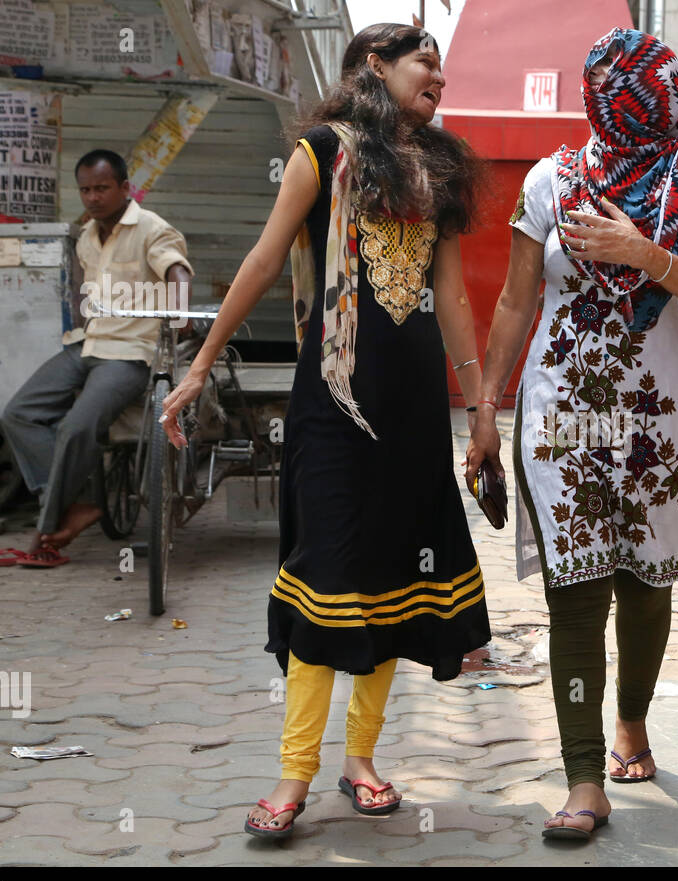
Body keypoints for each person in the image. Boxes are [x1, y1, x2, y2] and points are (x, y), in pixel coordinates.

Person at [159, 23, 491, 839]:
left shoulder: (440, 168)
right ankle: (293, 772)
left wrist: (481, 407)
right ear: (374, 67)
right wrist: (201, 366)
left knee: (388, 581)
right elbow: (264, 261)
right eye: (426, 61)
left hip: (414, 411)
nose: (440, 77)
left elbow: (450, 297)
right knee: (327, 579)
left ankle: (362, 760)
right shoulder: (318, 152)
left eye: (442, 63)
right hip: (335, 406)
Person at [467, 28, 678, 840]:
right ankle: (583, 781)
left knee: (647, 585)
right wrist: (483, 409)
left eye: (641, 89)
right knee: (574, 595)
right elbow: (513, 303)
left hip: (659, 415)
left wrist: (643, 251)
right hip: (561, 410)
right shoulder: (548, 180)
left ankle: (632, 724)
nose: (633, 104)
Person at [0, 149, 192, 569]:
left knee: (77, 426)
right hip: (89, 344)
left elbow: (178, 272)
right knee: (19, 413)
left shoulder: (151, 228)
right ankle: (76, 501)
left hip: (131, 353)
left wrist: (181, 310)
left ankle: (47, 531)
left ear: (123, 188)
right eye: (85, 190)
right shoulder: (85, 236)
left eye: (101, 188)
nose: (93, 197)